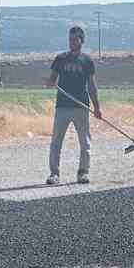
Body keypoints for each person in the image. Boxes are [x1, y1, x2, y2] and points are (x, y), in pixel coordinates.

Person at [45, 25, 101, 185]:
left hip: (81, 107)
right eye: (70, 39)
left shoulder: (87, 61)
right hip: (62, 106)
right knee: (56, 141)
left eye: (75, 39)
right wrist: (50, 82)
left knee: (85, 142)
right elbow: (52, 79)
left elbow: (92, 85)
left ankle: (83, 172)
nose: (71, 42)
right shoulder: (60, 59)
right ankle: (54, 174)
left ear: (81, 41)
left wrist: (97, 107)